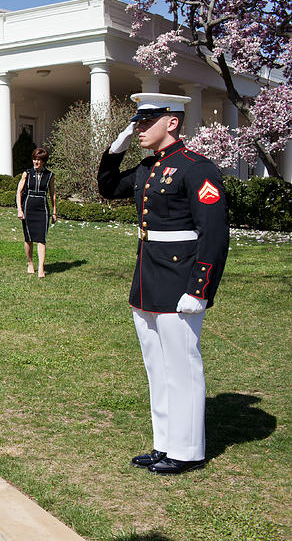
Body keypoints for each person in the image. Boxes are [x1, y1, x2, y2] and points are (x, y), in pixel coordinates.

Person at [98, 93, 229, 475]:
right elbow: (108, 188)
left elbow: (214, 235)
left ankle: (188, 449)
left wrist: (200, 289)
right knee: (157, 367)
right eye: (136, 123)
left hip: (180, 281)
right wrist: (113, 150)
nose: (138, 128)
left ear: (171, 122)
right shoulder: (147, 168)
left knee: (182, 366)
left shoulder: (196, 168)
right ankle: (165, 444)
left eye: (145, 121)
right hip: (148, 277)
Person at [16, 147, 57, 277]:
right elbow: (19, 192)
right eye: (34, 159)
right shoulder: (26, 173)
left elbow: (52, 193)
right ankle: (30, 263)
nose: (36, 162)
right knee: (28, 238)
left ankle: (41, 268)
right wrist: (19, 209)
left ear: (43, 161)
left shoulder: (49, 175)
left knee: (41, 238)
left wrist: (54, 211)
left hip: (42, 208)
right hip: (28, 207)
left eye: (39, 160)